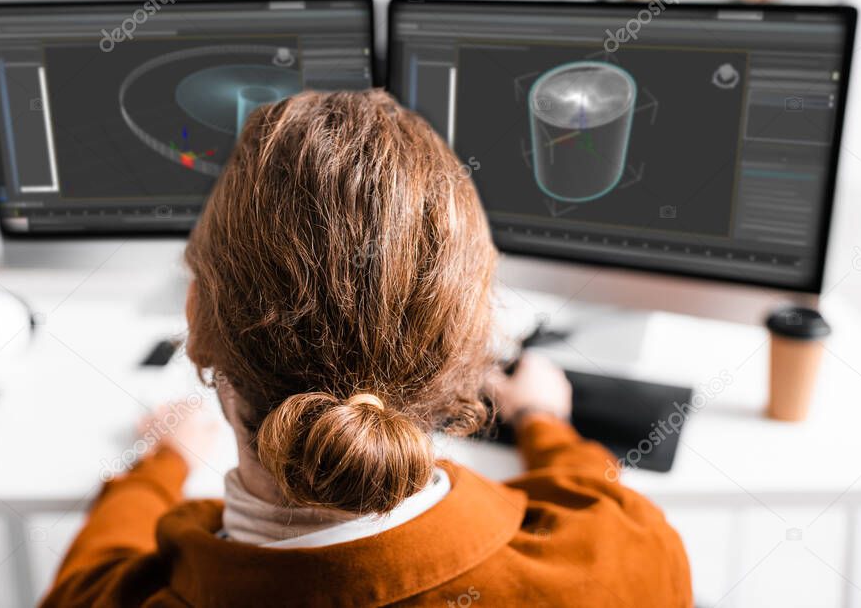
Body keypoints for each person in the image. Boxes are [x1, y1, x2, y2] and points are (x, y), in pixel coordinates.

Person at [41, 90, 692, 607]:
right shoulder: (623, 563)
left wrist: (159, 465)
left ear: (195, 322)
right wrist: (541, 420)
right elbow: (596, 506)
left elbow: (94, 569)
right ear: (471, 346)